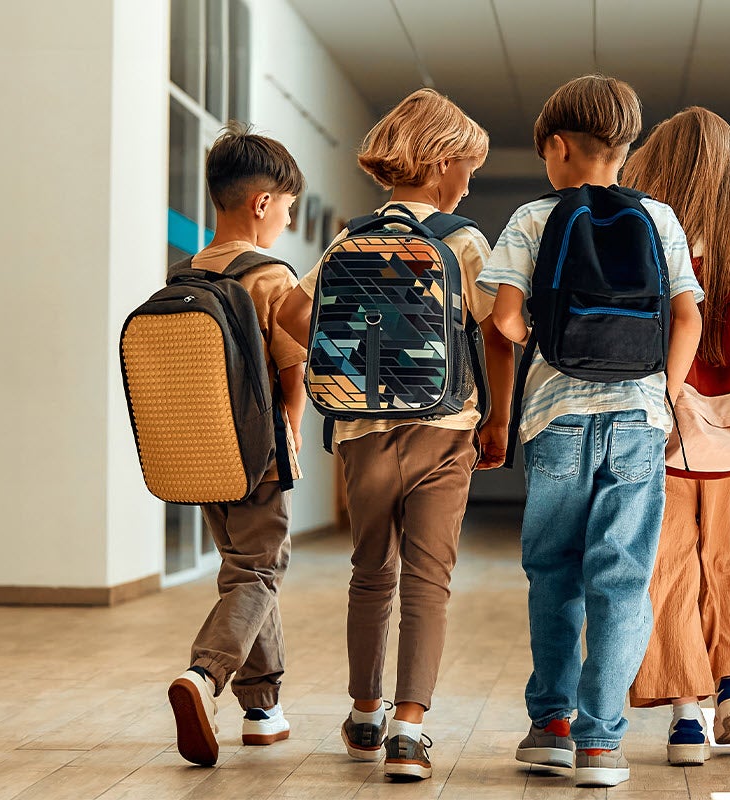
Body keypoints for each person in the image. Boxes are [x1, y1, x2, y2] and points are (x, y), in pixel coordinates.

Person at [277, 87, 514, 783]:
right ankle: (409, 731)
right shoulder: (463, 241)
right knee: (429, 581)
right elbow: (497, 329)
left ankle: (365, 712)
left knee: (370, 574)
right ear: (442, 162)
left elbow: (292, 312)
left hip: (358, 434)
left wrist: (348, 365)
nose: (470, 180)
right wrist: (497, 417)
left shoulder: (352, 237)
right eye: (468, 165)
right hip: (443, 430)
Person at [477, 74, 704, 789]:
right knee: (623, 577)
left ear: (556, 146)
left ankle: (550, 724)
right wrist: (662, 394)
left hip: (556, 418)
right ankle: (602, 743)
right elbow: (689, 316)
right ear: (625, 148)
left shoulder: (533, 217)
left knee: (554, 573)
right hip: (638, 418)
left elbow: (505, 320)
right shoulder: (660, 218)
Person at [620, 107, 730, 765]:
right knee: (727, 554)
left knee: (666, 561)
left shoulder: (644, 238)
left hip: (660, 425)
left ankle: (685, 714)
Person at [166, 123, 306, 768]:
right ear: (261, 203)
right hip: (256, 450)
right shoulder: (270, 276)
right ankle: (204, 676)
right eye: (287, 207)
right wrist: (294, 429)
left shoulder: (183, 272)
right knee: (258, 570)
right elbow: (291, 367)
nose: (286, 218)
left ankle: (262, 710)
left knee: (245, 569)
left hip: (197, 448)